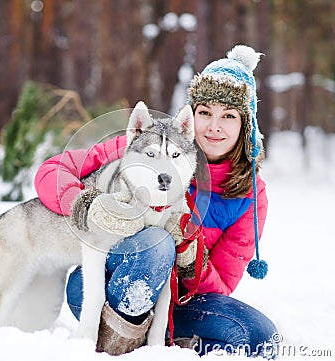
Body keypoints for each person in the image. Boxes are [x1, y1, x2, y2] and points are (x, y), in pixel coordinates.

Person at [34, 44, 278, 358]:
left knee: (260, 338)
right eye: (205, 113)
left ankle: (161, 342)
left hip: (183, 304)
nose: (214, 126)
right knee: (155, 240)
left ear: (245, 125)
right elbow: (53, 170)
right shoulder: (145, 147)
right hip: (106, 288)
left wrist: (191, 258)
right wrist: (83, 203)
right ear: (190, 119)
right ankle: (130, 333)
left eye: (228, 116)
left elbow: (222, 287)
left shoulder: (251, 195)